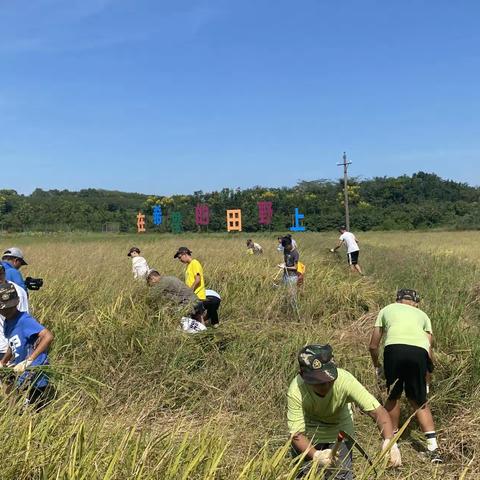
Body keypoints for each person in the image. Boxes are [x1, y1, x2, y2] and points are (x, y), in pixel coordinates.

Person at [288, 344, 401, 479]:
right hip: (309, 435)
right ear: (303, 375)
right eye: (318, 382)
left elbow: (377, 411)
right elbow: (296, 434)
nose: (325, 385)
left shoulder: (345, 380)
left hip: (339, 433)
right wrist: (316, 455)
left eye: (329, 380)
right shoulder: (296, 389)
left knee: (340, 475)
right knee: (303, 475)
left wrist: (389, 441)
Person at [369, 289, 442, 463]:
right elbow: (428, 349)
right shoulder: (423, 315)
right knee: (419, 401)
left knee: (394, 395)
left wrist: (377, 366)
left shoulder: (387, 309)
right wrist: (427, 377)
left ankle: (393, 442)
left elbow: (373, 345)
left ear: (397, 300)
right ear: (416, 302)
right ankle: (433, 449)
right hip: (419, 353)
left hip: (394, 349)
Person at [0, 283, 54, 408]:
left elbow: (48, 336)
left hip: (35, 375)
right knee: (17, 407)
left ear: (17, 301)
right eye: (3, 309)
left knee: (34, 411)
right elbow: (13, 343)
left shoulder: (25, 320)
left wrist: (29, 360)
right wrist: (4, 361)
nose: (6, 311)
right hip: (23, 374)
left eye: (10, 307)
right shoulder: (8, 322)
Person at [0, 264, 29, 360]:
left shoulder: (17, 292)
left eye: (1, 274)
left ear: (4, 274)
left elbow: (21, 321)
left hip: (7, 349)